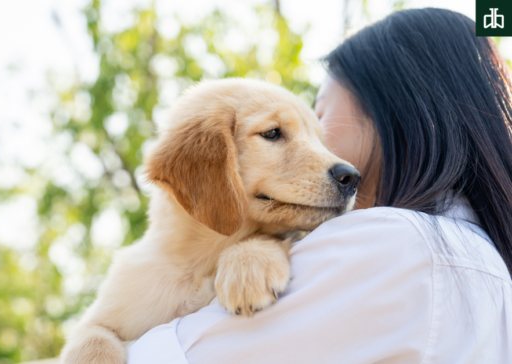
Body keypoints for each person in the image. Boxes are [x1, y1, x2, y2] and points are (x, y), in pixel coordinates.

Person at [127, 8, 512, 364]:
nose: (321, 155)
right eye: (280, 133)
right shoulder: (489, 268)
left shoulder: (393, 244)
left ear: (390, 109)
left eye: (321, 117)